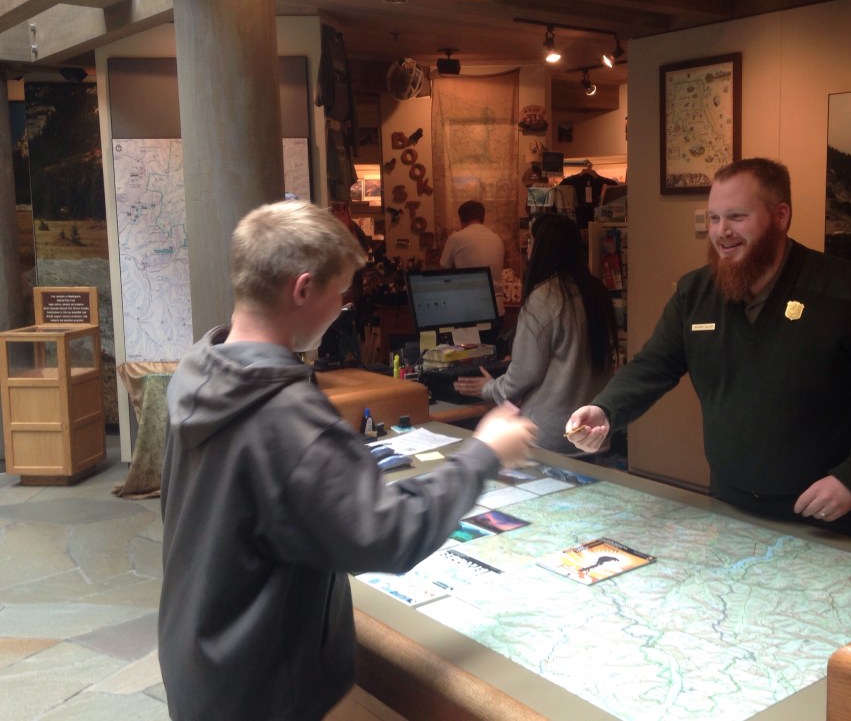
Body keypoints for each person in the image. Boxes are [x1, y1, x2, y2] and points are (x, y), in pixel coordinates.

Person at [158, 200, 536, 721]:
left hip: (201, 657)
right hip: (263, 688)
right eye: (339, 293)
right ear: (303, 289)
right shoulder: (285, 415)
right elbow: (389, 534)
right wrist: (484, 453)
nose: (342, 308)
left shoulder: (200, 370)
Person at [566, 158, 851, 538]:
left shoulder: (846, 291)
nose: (722, 232)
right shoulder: (695, 293)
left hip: (824, 516)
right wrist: (606, 408)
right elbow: (653, 365)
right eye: (713, 218)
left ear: (780, 216)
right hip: (728, 505)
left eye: (737, 217)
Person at [455, 213, 618, 454]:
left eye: (531, 241)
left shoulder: (544, 297)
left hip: (551, 437)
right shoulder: (597, 292)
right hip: (592, 433)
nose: (528, 248)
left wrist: (488, 388)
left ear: (543, 247)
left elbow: (523, 376)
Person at [439, 200, 507, 312]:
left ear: (461, 219)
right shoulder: (497, 238)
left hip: (470, 307)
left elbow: (443, 272)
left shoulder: (455, 238)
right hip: (497, 307)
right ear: (482, 217)